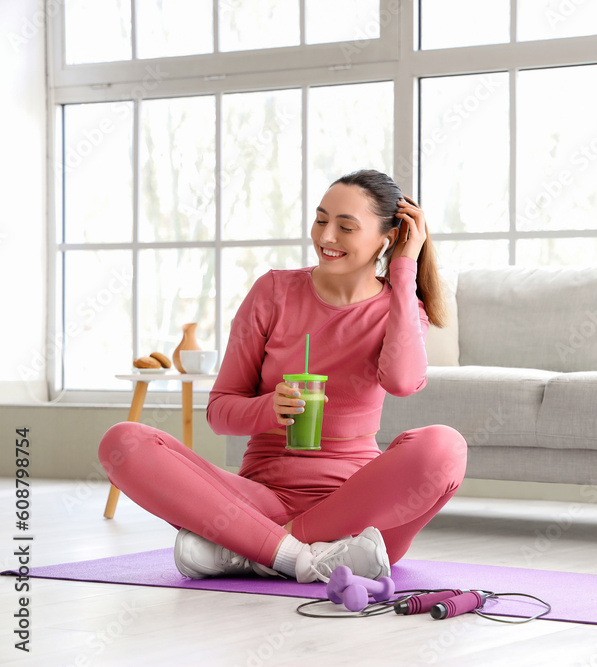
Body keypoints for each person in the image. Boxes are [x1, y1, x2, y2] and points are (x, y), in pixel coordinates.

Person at [99, 169, 468, 584]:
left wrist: (404, 272)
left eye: (346, 227)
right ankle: (302, 557)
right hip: (260, 500)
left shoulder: (399, 307)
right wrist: (268, 409)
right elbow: (220, 412)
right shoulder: (273, 292)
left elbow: (403, 382)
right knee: (123, 443)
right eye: (321, 219)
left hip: (358, 508)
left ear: (386, 239)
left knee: (445, 446)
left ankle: (258, 550)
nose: (326, 237)